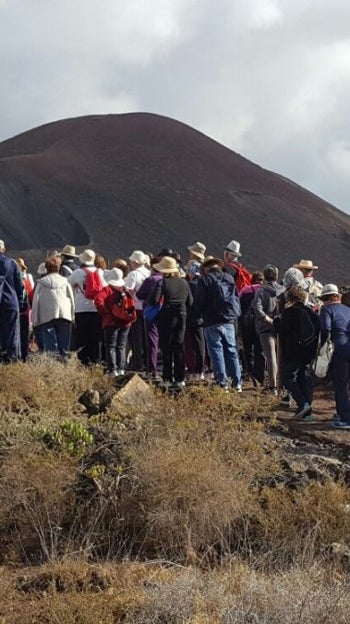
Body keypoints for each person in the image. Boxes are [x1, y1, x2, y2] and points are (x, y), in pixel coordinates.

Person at [194, 257, 242, 391]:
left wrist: (196, 316)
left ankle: (222, 383)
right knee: (232, 350)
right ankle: (237, 383)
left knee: (216, 351)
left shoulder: (205, 280)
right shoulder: (228, 277)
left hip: (211, 320)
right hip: (229, 320)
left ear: (205, 268)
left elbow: (199, 301)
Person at [274, 286, 319, 421]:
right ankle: (306, 411)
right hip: (309, 352)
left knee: (287, 377)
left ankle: (303, 404)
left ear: (289, 298)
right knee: (304, 377)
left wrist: (277, 321)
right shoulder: (311, 313)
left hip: (293, 351)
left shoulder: (289, 313)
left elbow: (283, 332)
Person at [151, 256, 193, 386]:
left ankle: (167, 378)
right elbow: (190, 302)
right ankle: (180, 378)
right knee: (179, 346)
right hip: (181, 316)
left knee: (166, 347)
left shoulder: (162, 283)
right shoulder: (184, 283)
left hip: (166, 317)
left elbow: (154, 300)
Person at [319, 284, 350, 429]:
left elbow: (326, 329)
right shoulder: (347, 309)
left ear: (326, 298)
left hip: (338, 350)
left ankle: (344, 418)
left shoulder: (326, 309)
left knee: (341, 384)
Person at [31, 255, 75, 359]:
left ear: (46, 268)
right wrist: (73, 316)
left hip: (47, 316)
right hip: (64, 314)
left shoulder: (41, 283)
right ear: (59, 267)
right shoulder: (65, 281)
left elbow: (35, 301)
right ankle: (64, 363)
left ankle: (53, 365)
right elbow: (71, 298)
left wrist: (35, 320)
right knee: (64, 344)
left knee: (50, 344)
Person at [68, 249, 104, 364]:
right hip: (96, 308)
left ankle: (83, 361)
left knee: (82, 336)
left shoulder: (78, 272)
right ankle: (96, 361)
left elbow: (68, 284)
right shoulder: (100, 272)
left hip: (81, 308)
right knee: (96, 336)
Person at [94, 268, 133, 376]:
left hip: (111, 322)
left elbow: (98, 301)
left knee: (111, 346)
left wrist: (105, 313)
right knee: (121, 345)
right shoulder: (125, 290)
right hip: (125, 322)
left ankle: (112, 369)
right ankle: (121, 369)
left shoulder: (107, 290)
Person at [253, 264, 284, 394]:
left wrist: (268, 319)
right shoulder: (282, 290)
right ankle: (282, 385)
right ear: (276, 276)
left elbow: (257, 309)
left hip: (265, 327)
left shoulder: (260, 291)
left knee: (270, 356)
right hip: (281, 327)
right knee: (281, 356)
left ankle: (273, 386)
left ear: (264, 277)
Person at [136, 258, 163, 379]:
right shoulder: (164, 279)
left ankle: (152, 369)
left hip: (151, 312)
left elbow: (139, 294)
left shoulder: (150, 279)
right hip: (165, 312)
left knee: (152, 341)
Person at [124, 250, 150, 371]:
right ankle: (147, 361)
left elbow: (127, 289)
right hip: (148, 309)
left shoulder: (133, 274)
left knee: (136, 337)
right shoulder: (149, 273)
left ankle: (137, 362)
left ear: (134, 262)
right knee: (146, 337)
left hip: (136, 308)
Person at [239, 271, 265, 386]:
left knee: (248, 349)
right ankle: (260, 375)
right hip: (261, 324)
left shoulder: (245, 290)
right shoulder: (265, 290)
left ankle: (249, 371)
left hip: (247, 324)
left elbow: (238, 305)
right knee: (260, 350)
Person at [0, 240, 24, 363]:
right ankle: (11, 360)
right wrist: (20, 303)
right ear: (3, 250)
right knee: (12, 332)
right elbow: (19, 286)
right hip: (10, 302)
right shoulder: (11, 264)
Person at [184, 260, 206, 379]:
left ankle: (195, 370)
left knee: (192, 345)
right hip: (202, 318)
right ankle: (201, 370)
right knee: (201, 345)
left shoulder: (189, 285)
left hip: (190, 318)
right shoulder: (203, 283)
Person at [16, 257, 34, 362]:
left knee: (16, 335)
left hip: (15, 311)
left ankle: (17, 356)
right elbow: (31, 295)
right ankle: (24, 356)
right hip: (25, 312)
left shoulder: (12, 278)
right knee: (24, 335)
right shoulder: (27, 279)